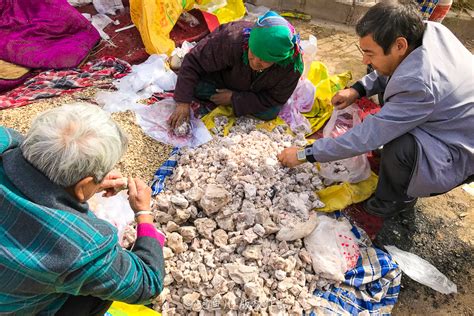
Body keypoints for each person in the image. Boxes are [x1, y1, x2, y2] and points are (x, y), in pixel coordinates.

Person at [278, 1, 474, 218]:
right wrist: (358, 89)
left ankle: (396, 200)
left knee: (401, 145)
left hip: (459, 150)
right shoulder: (429, 31)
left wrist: (306, 154)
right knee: (390, 97)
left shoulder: (420, 84)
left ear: (399, 45)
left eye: (370, 54)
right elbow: (396, 69)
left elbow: (368, 136)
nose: (364, 60)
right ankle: (403, 170)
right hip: (450, 119)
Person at [0, 104, 165, 315]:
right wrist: (144, 214)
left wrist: (78, 183)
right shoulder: (80, 246)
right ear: (83, 185)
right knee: (96, 296)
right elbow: (147, 283)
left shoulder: (4, 138)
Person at [168, 11, 303, 129]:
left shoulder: (291, 67)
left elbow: (274, 99)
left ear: (278, 60)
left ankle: (228, 102)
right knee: (193, 85)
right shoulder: (231, 39)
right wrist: (183, 103)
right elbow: (194, 61)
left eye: (265, 60)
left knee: (271, 112)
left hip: (254, 93)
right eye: (252, 53)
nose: (255, 62)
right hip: (221, 80)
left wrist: (235, 98)